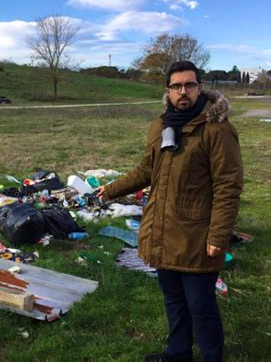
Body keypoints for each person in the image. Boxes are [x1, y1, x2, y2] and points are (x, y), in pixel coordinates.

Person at [97, 61, 243, 362]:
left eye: (189, 85)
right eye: (176, 86)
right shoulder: (161, 126)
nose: (183, 91)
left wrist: (219, 235)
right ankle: (178, 353)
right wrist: (111, 189)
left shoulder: (216, 130)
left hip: (197, 236)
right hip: (163, 230)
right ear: (168, 91)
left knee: (201, 306)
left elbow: (228, 187)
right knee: (174, 300)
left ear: (200, 88)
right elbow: (147, 170)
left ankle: (211, 358)